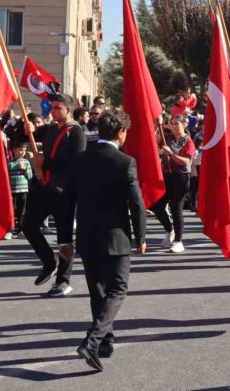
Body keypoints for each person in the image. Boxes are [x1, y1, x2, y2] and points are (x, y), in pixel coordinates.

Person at [60, 109, 147, 372]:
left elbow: (67, 203)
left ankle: (106, 341)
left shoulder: (79, 160)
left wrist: (65, 239)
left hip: (86, 237)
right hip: (116, 237)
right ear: (121, 132)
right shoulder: (125, 161)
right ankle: (93, 340)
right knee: (118, 289)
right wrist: (141, 235)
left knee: (97, 291)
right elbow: (136, 203)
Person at [25, 93, 87, 297]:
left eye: (58, 108)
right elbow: (24, 136)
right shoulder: (50, 128)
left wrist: (46, 163)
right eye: (52, 108)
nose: (53, 111)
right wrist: (26, 129)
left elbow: (76, 163)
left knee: (64, 237)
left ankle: (63, 280)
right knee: (28, 226)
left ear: (68, 110)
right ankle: (49, 262)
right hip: (44, 187)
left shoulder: (76, 132)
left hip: (65, 192)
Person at [151, 114, 195, 253]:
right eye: (172, 123)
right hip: (166, 177)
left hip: (180, 178)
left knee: (177, 209)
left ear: (184, 125)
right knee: (156, 205)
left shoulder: (188, 142)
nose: (174, 126)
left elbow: (186, 162)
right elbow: (152, 139)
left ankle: (178, 241)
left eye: (177, 123)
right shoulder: (167, 138)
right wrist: (156, 124)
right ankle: (169, 230)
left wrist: (171, 154)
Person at [8, 140, 33, 239]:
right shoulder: (9, 162)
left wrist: (25, 169)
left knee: (22, 210)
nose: (22, 152)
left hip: (23, 190)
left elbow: (30, 176)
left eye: (24, 150)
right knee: (12, 210)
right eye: (20, 150)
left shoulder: (26, 162)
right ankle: (10, 230)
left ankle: (20, 230)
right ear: (14, 150)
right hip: (12, 190)